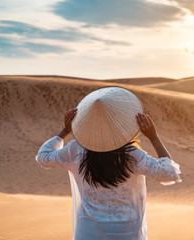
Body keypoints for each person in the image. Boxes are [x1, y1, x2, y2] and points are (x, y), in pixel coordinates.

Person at [36, 87, 181, 240]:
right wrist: (153, 137)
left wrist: (64, 131)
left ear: (85, 122)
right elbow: (169, 174)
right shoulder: (131, 155)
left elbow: (43, 158)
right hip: (128, 234)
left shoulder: (75, 150)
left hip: (88, 234)